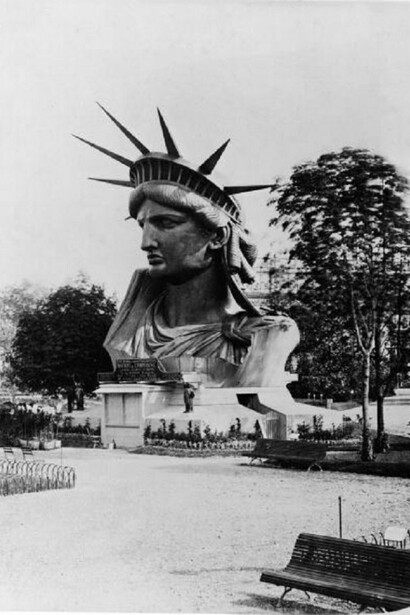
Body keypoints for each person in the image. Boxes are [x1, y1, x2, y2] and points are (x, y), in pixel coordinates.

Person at [76, 106, 299, 387]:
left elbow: (261, 406)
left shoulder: (262, 335)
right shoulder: (130, 333)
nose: (146, 243)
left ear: (217, 238)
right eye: (142, 225)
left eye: (166, 223)